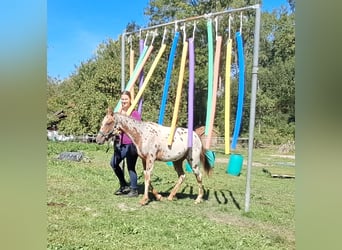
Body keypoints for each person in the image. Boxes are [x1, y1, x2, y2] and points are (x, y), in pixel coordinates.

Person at [110, 90, 141, 197]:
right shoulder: (118, 113)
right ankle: (124, 185)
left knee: (130, 167)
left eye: (126, 99)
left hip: (131, 144)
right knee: (113, 163)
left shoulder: (134, 113)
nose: (123, 101)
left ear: (130, 100)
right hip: (120, 143)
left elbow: (137, 128)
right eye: (122, 99)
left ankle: (134, 190)